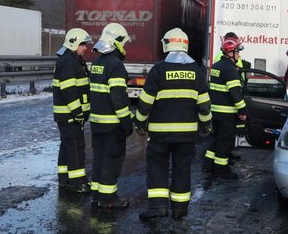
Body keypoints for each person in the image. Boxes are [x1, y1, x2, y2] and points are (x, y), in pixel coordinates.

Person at [134, 28, 212, 220]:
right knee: (182, 168)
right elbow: (204, 105)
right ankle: (180, 209)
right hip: (187, 135)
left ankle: (158, 207)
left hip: (160, 135)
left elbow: (145, 102)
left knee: (157, 167)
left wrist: (139, 122)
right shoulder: (196, 71)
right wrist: (205, 125)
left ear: (167, 44)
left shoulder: (158, 70)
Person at [87, 22, 134, 209]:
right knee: (111, 160)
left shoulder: (97, 63)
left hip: (97, 122)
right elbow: (119, 99)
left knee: (99, 159)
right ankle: (108, 199)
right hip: (112, 125)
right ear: (118, 42)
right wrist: (127, 123)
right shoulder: (116, 66)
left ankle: (97, 195)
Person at [53, 28, 93, 193]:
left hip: (67, 115)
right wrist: (77, 113)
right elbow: (69, 91)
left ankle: (65, 179)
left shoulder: (72, 60)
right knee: (76, 147)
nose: (85, 48)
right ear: (74, 43)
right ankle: (78, 183)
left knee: (67, 146)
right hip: (70, 115)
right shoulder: (68, 62)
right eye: (83, 44)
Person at [205, 36, 247, 180]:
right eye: (237, 52)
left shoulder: (215, 66)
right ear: (230, 53)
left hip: (214, 112)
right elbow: (235, 93)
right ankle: (222, 171)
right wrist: (242, 110)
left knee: (216, 139)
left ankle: (208, 166)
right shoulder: (231, 70)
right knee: (225, 142)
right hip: (227, 114)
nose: (239, 55)